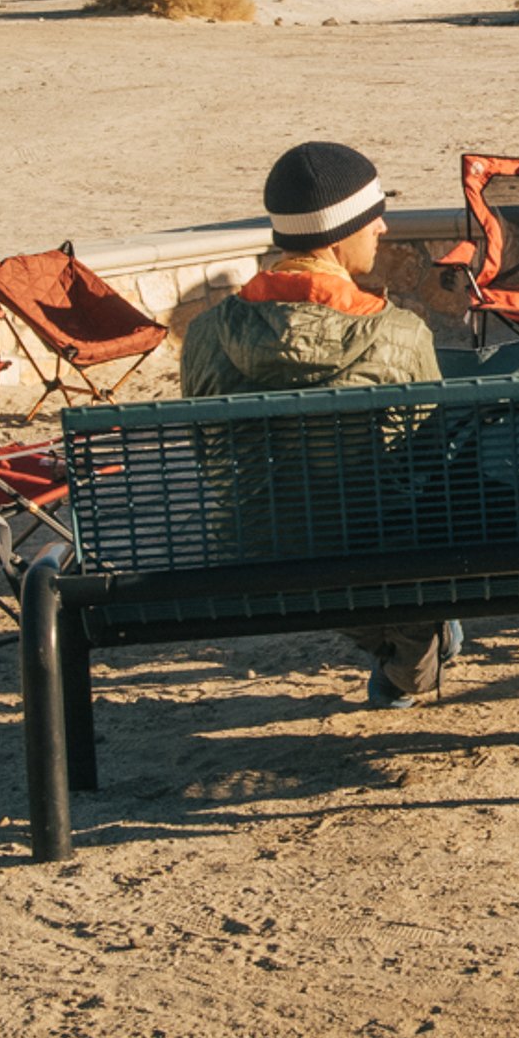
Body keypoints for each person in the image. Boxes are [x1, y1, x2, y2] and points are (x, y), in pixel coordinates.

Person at [179, 140, 460, 709]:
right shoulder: (399, 334)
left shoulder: (205, 336)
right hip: (375, 550)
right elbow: (430, 464)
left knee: (301, 526)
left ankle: (405, 653)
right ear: (337, 235)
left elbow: (208, 452)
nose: (382, 228)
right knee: (435, 523)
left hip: (256, 554)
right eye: (371, 217)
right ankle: (411, 661)